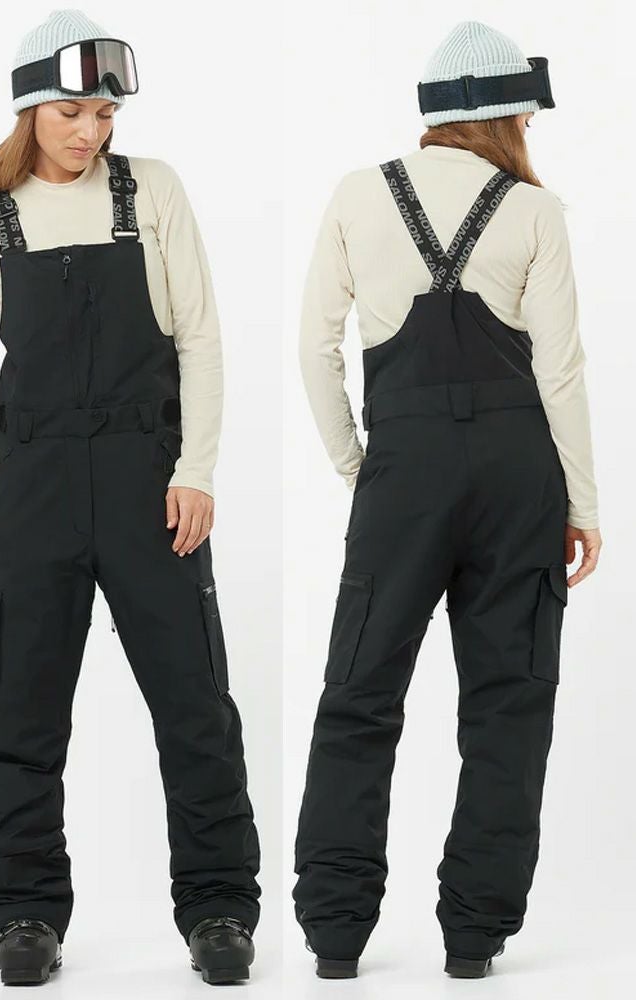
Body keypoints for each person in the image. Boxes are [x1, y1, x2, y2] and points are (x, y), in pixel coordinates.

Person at [0, 8, 260, 986]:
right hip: (28, 488)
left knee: (195, 706)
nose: (91, 131)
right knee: (17, 716)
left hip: (146, 483)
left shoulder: (150, 190)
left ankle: (218, 908)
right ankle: (24, 913)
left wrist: (194, 469)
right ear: (29, 109)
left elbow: (198, 336)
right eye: (71, 112)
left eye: (105, 113)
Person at [292, 20, 602, 980]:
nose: (528, 131)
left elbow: (314, 347)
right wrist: (583, 504)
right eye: (524, 116)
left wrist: (359, 468)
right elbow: (561, 371)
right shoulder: (534, 212)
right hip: (518, 474)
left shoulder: (359, 193)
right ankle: (474, 937)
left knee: (359, 695)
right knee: (509, 704)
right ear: (503, 116)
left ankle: (335, 934)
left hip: (404, 469)